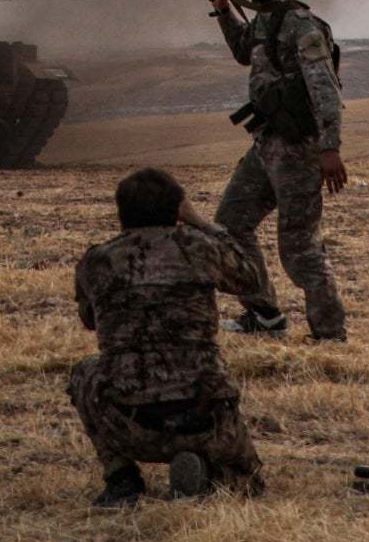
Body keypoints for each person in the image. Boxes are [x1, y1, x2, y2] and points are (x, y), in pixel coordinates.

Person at [69, 167, 273, 507]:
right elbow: (253, 280)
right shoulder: (197, 247)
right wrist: (203, 223)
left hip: (131, 423)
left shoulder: (98, 261)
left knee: (86, 371)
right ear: (178, 209)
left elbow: (90, 321)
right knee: (245, 487)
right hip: (205, 416)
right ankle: (203, 467)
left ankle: (121, 477)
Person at [206, 0, 348, 341]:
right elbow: (242, 51)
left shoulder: (300, 24)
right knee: (231, 224)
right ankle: (264, 314)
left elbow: (325, 88)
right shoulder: (266, 20)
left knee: (299, 249)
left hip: (298, 148)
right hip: (267, 145)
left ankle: (330, 333)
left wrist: (330, 148)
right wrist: (221, 7)